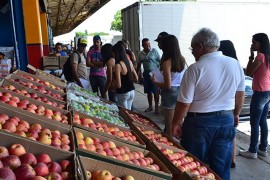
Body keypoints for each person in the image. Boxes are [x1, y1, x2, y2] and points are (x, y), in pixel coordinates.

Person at [172, 28, 245, 180]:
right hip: (226, 120)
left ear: (200, 46)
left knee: (193, 165)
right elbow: (240, 94)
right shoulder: (234, 64)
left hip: (199, 123)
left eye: (192, 49)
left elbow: (184, 103)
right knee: (222, 167)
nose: (192, 52)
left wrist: (176, 123)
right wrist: (236, 114)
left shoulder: (195, 69)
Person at [240, 33, 270, 159]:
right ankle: (263, 148)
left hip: (260, 92)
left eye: (254, 42)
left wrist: (251, 56)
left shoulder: (260, 56)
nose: (252, 45)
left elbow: (248, 72)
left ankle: (253, 150)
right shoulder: (268, 56)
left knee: (254, 122)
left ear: (260, 44)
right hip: (267, 91)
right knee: (262, 120)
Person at [151, 35, 186, 138]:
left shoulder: (167, 62)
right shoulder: (182, 60)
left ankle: (170, 149)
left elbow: (167, 84)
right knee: (179, 124)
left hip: (170, 93)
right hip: (181, 92)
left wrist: (155, 82)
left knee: (169, 127)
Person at [218, 40, 239, 168]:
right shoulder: (236, 64)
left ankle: (228, 158)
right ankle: (233, 159)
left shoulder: (223, 64)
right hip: (233, 103)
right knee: (232, 133)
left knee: (225, 136)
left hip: (224, 104)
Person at [137, 38, 160, 113]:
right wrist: (137, 74)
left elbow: (160, 61)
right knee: (148, 91)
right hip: (146, 73)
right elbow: (139, 64)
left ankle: (156, 107)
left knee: (155, 90)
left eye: (149, 44)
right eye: (146, 45)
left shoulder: (154, 51)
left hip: (155, 73)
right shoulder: (140, 53)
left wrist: (160, 73)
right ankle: (150, 106)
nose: (148, 46)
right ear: (143, 45)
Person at [112, 43, 138, 110]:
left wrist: (113, 82)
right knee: (129, 113)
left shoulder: (118, 65)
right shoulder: (129, 62)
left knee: (125, 114)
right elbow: (136, 78)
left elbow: (119, 85)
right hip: (132, 91)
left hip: (123, 92)